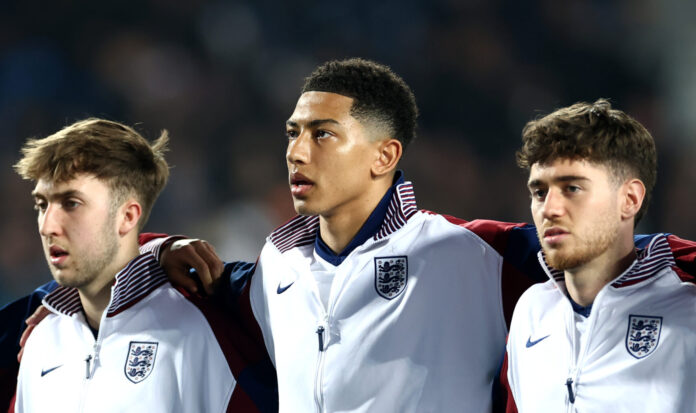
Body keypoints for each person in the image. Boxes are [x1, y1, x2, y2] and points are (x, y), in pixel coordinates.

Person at [145, 60, 695, 412]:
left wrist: (672, 258)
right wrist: (161, 249)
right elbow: (206, 297)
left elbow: (603, 250)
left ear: (385, 155)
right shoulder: (277, 264)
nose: (296, 150)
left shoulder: (471, 253)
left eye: (323, 133)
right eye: (293, 133)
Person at [11, 119, 276, 412]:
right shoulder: (38, 340)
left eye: (71, 203)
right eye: (41, 205)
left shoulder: (202, 326)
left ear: (127, 217)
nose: (48, 226)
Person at [503, 99, 696, 412]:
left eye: (572, 188)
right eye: (539, 192)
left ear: (629, 199)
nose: (549, 209)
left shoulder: (687, 307)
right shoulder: (530, 311)